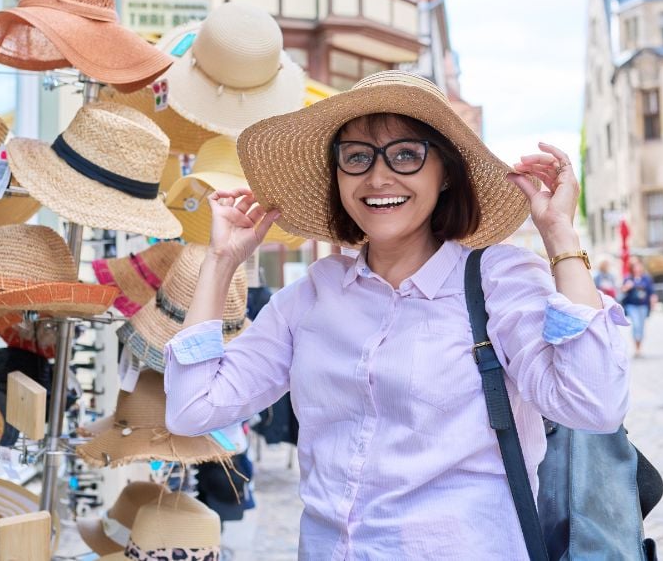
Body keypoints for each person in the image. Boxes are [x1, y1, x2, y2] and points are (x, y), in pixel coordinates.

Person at [163, 72, 629, 559]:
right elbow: (193, 410)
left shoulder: (498, 281)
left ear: (445, 172)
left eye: (406, 155)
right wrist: (220, 263)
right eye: (356, 157)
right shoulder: (313, 296)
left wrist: (559, 236)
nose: (378, 177)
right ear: (338, 175)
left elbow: (593, 405)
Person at [621, 256, 656, 356]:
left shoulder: (646, 278)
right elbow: (622, 291)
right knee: (636, 324)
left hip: (643, 305)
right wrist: (627, 287)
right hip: (632, 305)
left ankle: (639, 347)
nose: (637, 267)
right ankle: (636, 347)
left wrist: (653, 302)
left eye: (638, 265)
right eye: (634, 265)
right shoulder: (628, 278)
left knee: (641, 326)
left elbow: (651, 292)